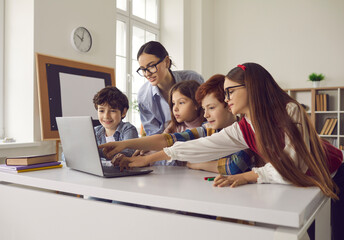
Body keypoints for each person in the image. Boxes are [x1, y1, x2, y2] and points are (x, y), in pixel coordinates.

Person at [129, 63, 343, 240]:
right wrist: (152, 158)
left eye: (230, 91)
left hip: (333, 175)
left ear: (251, 88)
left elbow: (292, 165)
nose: (227, 98)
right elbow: (204, 145)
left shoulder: (289, 111)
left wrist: (247, 176)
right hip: (303, 185)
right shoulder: (245, 126)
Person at [100, 75, 256, 175]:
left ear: (229, 105)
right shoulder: (207, 129)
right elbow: (168, 139)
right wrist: (124, 144)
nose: (206, 114)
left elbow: (235, 165)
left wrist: (198, 164)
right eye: (204, 109)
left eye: (212, 108)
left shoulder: (244, 130)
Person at [136, 41, 204, 136]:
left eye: (151, 66)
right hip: (165, 142)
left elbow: (207, 112)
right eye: (143, 69)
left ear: (166, 62)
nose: (147, 74)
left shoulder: (193, 79)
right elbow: (153, 133)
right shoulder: (143, 96)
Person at [92, 86, 138, 159]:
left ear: (123, 112)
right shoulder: (94, 131)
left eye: (112, 111)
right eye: (101, 111)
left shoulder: (128, 129)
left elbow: (129, 152)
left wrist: (97, 152)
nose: (106, 116)